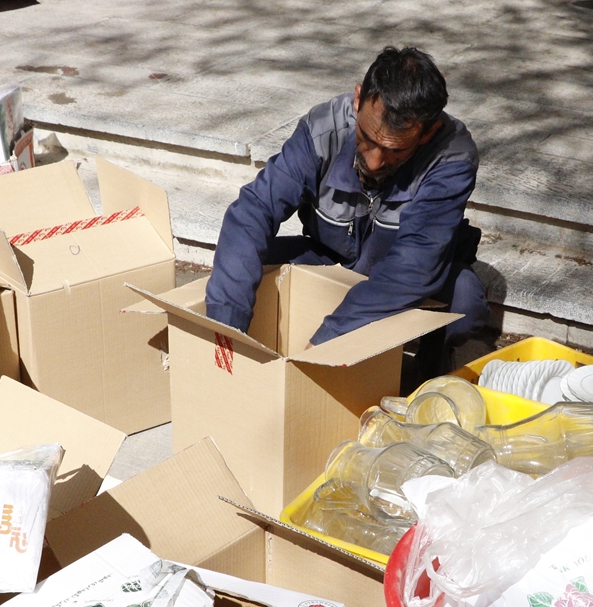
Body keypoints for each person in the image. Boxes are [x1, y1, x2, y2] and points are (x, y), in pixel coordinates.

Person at [205, 47, 485, 373]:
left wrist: (327, 341)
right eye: (367, 138)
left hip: (404, 276)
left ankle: (427, 368)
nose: (375, 162)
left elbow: (415, 267)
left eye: (394, 150)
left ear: (428, 133)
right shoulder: (323, 129)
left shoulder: (452, 158)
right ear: (357, 99)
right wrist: (228, 327)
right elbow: (253, 210)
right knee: (243, 261)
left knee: (465, 299)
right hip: (332, 259)